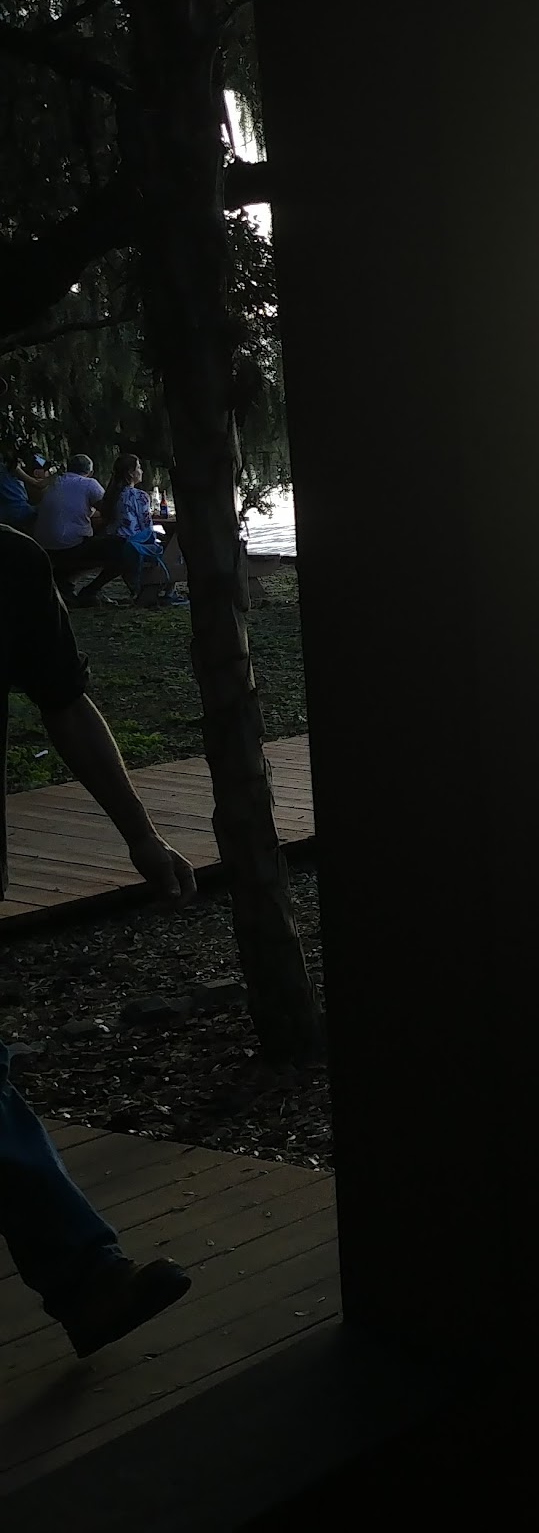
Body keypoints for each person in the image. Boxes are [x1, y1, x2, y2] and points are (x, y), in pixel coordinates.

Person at [0, 522, 199, 1355]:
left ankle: (85, 1282)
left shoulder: (11, 565)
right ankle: (85, 1281)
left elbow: (66, 703)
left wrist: (141, 834)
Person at [74, 453, 171, 607]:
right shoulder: (139, 496)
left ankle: (133, 589)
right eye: (139, 467)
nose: (142, 471)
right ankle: (163, 590)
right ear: (131, 473)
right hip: (128, 544)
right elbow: (146, 526)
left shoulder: (111, 495)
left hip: (109, 543)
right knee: (168, 547)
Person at [34, 454, 110, 603]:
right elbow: (109, 511)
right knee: (118, 548)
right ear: (90, 472)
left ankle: (64, 580)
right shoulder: (89, 483)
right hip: (69, 545)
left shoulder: (54, 480)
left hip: (42, 543)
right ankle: (86, 589)